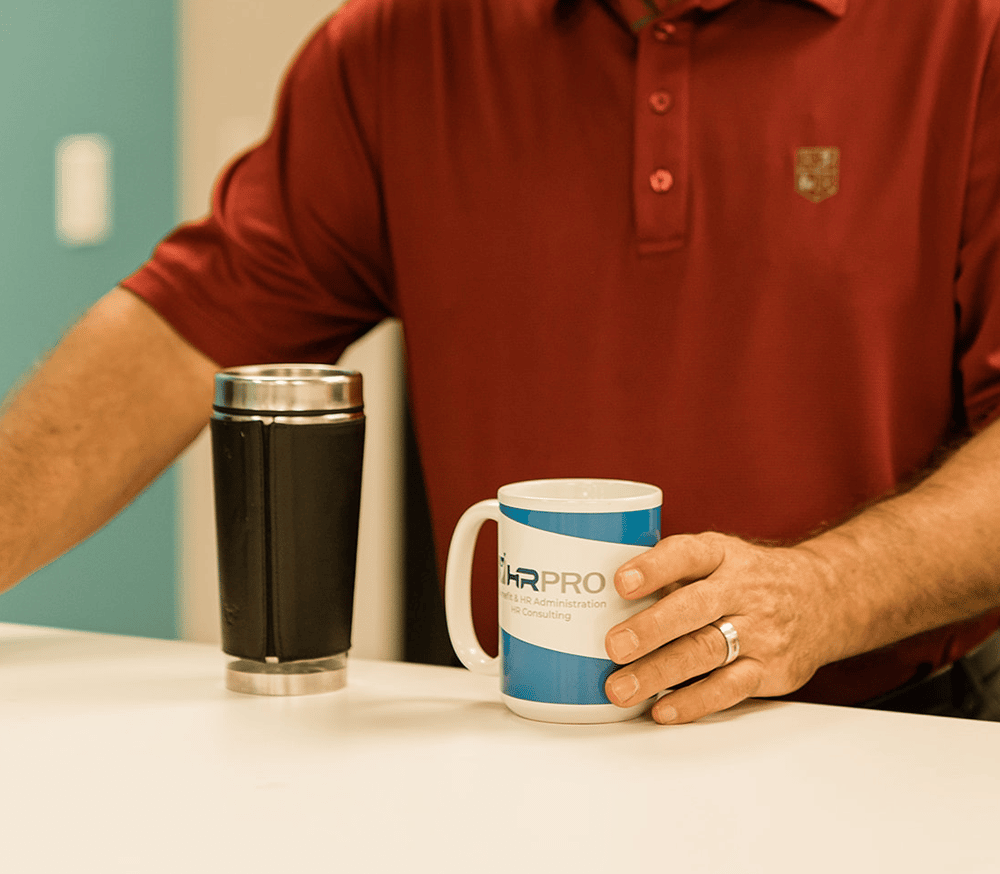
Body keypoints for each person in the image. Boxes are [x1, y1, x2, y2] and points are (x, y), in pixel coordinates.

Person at [3, 0, 1000, 723]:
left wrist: (822, 593)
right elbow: (184, 332)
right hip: (513, 728)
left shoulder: (972, 32)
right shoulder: (398, 42)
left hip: (893, 725)